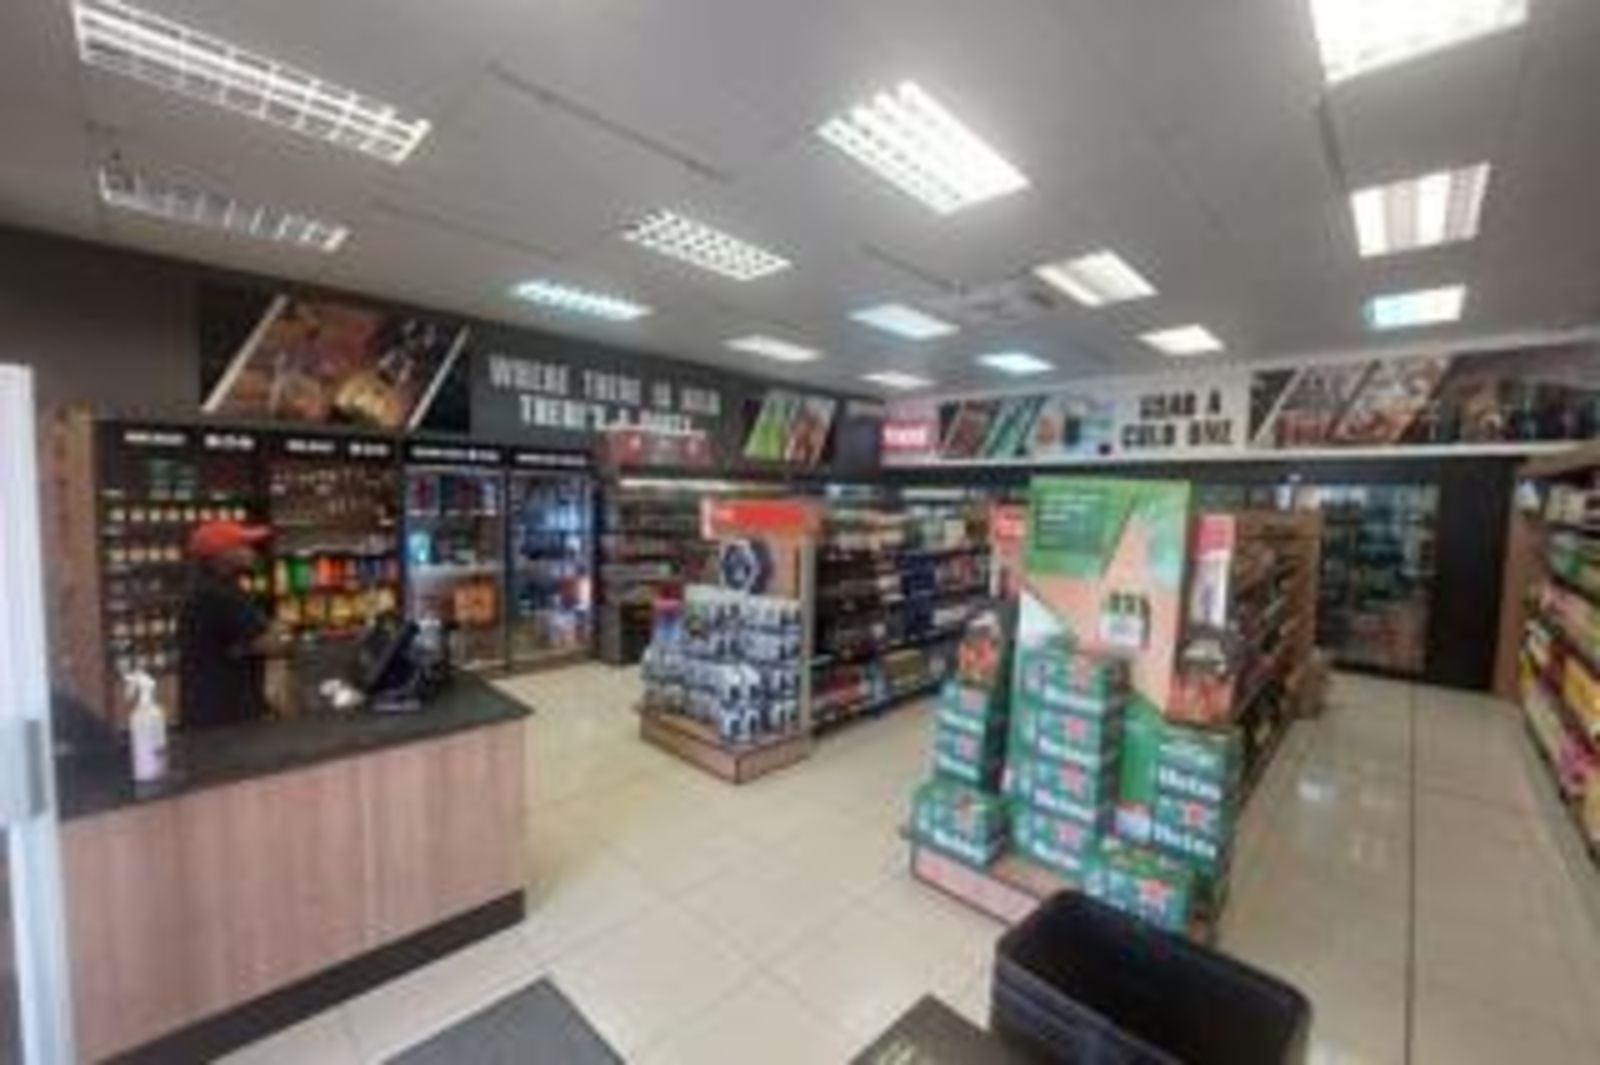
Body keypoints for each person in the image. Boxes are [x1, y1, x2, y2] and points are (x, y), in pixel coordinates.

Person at [177, 520, 286, 728]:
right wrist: (276, 632)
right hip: (227, 716)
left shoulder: (209, 588)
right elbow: (270, 644)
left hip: (209, 710)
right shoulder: (220, 595)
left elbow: (244, 641)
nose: (253, 551)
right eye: (244, 545)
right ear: (224, 555)